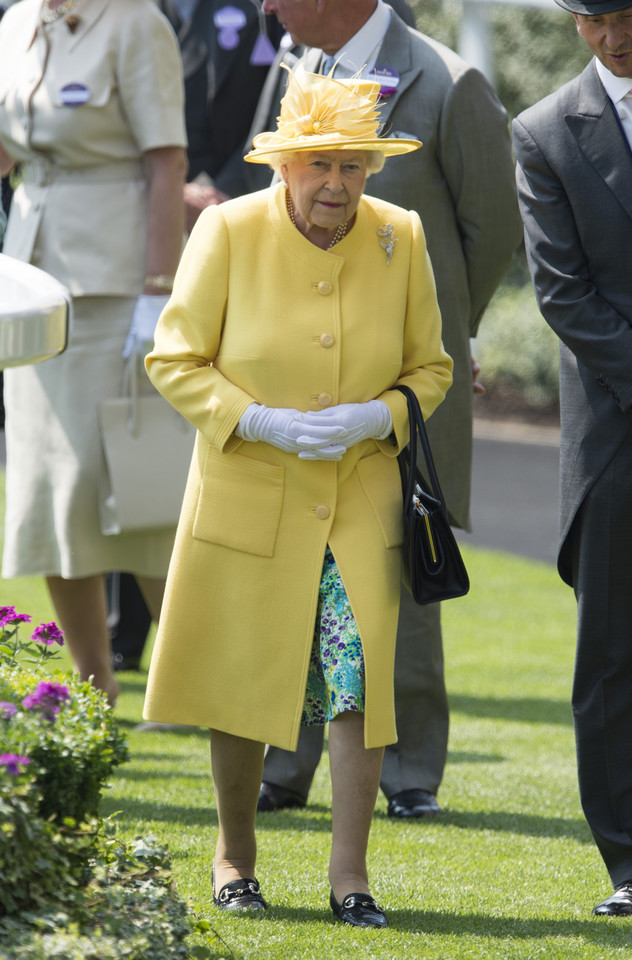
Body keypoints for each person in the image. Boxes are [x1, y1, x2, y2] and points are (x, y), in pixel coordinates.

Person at [142, 66, 452, 925]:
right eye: (319, 165)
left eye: (353, 166)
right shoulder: (229, 231)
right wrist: (258, 421)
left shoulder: (403, 236)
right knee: (243, 681)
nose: (336, 185)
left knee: (356, 686)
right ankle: (233, 856)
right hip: (250, 494)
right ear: (283, 165)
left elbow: (432, 368)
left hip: (358, 501)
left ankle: (350, 878)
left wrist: (377, 415)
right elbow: (173, 359)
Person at [253, 0, 522, 818]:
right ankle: (284, 762)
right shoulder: (293, 71)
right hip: (298, 378)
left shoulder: (450, 82)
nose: (266, 4)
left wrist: (444, 340)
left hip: (404, 382)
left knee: (402, 560)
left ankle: (410, 774)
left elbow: (494, 228)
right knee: (295, 557)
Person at [0, 0, 187, 704]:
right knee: (49, 496)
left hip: (116, 290)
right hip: (30, 291)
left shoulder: (139, 23)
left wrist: (157, 293)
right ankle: (93, 683)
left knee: (138, 489)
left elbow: (166, 162)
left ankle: (194, 680)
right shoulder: (16, 23)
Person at [109, 0, 287, 673]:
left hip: (252, 226)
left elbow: (290, 116)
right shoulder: (127, 13)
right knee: (130, 431)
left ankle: (233, 636)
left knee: (217, 431)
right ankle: (125, 635)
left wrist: (227, 198)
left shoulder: (270, 8)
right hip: (139, 239)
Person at [513, 0, 632, 918]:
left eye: (627, 14)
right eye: (594, 21)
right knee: (613, 656)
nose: (614, 36)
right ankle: (629, 866)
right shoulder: (545, 132)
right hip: (615, 431)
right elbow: (563, 293)